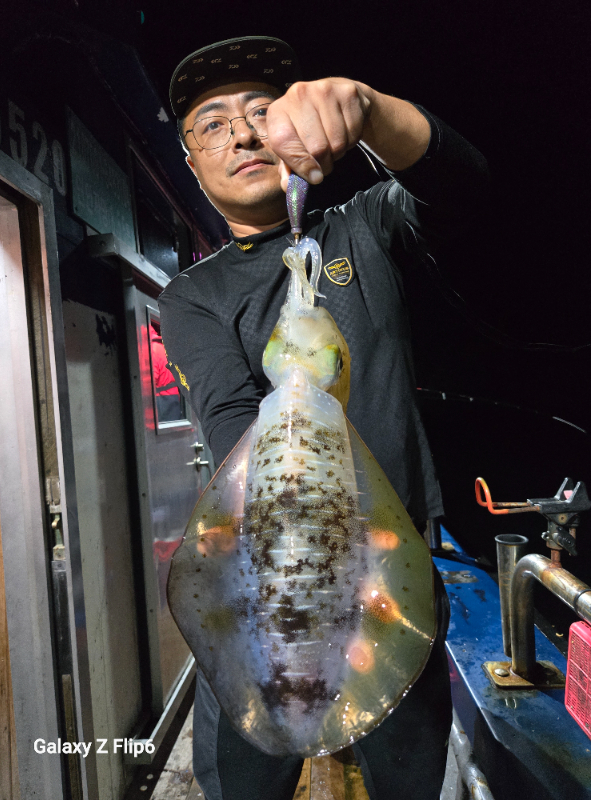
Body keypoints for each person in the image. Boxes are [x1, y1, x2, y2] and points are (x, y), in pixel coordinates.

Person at [159, 35, 488, 800]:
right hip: (259, 583)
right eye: (213, 125)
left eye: (260, 112)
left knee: (406, 776)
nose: (243, 134)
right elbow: (232, 424)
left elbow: (462, 187)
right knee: (245, 777)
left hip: (391, 578)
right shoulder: (194, 295)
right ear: (193, 163)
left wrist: (370, 110)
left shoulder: (365, 226)